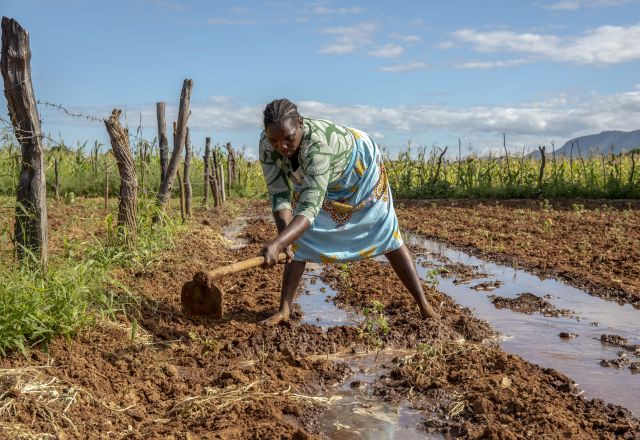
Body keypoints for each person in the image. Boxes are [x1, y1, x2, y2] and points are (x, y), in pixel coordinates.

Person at [258, 98, 439, 325]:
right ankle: (284, 309)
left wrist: (277, 243)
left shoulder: (318, 148)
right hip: (321, 177)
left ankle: (423, 304)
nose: (282, 147)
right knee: (298, 238)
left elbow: (309, 209)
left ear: (300, 124)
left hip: (361, 168)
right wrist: (284, 241)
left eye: (288, 138)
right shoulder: (267, 144)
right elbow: (279, 193)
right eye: (275, 141)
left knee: (384, 228)